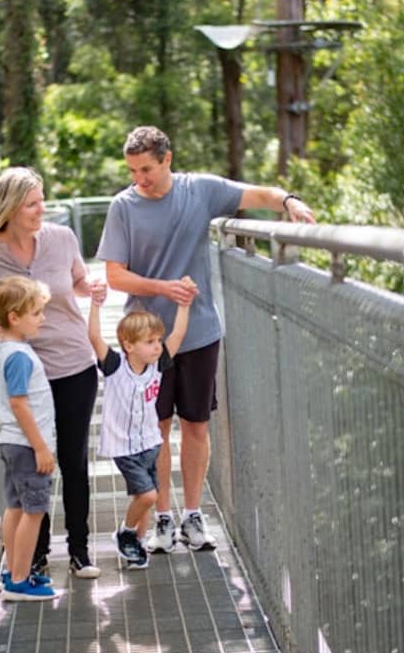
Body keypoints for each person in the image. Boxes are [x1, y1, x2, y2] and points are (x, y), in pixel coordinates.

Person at [96, 125, 315, 553]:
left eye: (147, 170)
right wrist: (163, 288)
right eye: (133, 171)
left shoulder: (201, 191)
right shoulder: (122, 206)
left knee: (196, 425)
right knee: (153, 430)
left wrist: (290, 201)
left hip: (197, 332)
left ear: (167, 160)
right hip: (144, 341)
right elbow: (114, 274)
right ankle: (162, 517)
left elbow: (261, 195)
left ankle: (193, 517)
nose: (139, 179)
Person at [0, 166, 101, 579]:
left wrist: (93, 290)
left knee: (72, 458)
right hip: (27, 371)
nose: (40, 209)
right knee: (33, 461)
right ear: (9, 209)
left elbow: (79, 283)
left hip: (72, 361)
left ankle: (80, 549)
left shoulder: (62, 239)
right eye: (32, 203)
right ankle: (37, 554)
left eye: (42, 200)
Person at [87, 278, 196, 569]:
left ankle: (137, 541)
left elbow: (179, 334)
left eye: (158, 341)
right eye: (150, 342)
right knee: (149, 495)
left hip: (150, 441)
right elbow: (94, 337)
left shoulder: (157, 366)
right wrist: (95, 305)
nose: (158, 347)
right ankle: (124, 532)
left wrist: (184, 305)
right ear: (128, 345)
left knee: (143, 495)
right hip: (124, 445)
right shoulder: (114, 366)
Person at [0, 276, 58, 601]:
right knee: (34, 510)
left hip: (12, 442)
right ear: (14, 317)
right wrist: (41, 446)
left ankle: (12, 570)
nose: (42, 318)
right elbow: (18, 403)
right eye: (36, 313)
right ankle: (19, 578)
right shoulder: (18, 356)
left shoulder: (0, 347)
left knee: (16, 507)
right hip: (27, 445)